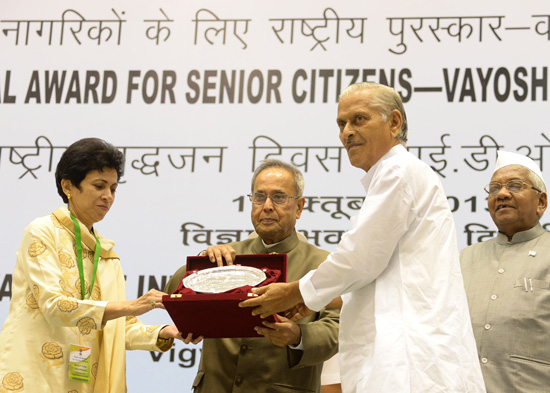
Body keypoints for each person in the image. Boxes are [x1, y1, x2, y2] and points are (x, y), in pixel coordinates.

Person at [240, 82, 486, 392]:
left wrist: (296, 293)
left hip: (409, 360)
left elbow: (360, 258)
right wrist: (323, 297)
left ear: (394, 122)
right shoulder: (393, 174)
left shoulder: (398, 171)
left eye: (359, 119)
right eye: (341, 123)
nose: (346, 132)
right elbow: (386, 274)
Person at [0, 138, 198, 393]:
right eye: (99, 186)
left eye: (114, 188)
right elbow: (53, 306)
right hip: (35, 379)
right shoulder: (42, 232)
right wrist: (133, 305)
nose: (108, 196)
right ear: (68, 186)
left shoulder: (104, 252)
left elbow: (118, 329)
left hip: (83, 383)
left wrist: (164, 331)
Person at [165, 159, 340, 393]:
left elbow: (336, 329)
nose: (267, 206)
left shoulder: (322, 264)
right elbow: (173, 292)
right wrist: (202, 263)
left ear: (299, 207)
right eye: (259, 197)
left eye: (278, 197)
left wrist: (298, 335)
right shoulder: (226, 257)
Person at [460, 150, 550, 393]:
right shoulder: (463, 259)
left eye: (515, 185)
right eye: (494, 188)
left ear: (541, 202)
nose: (501, 194)